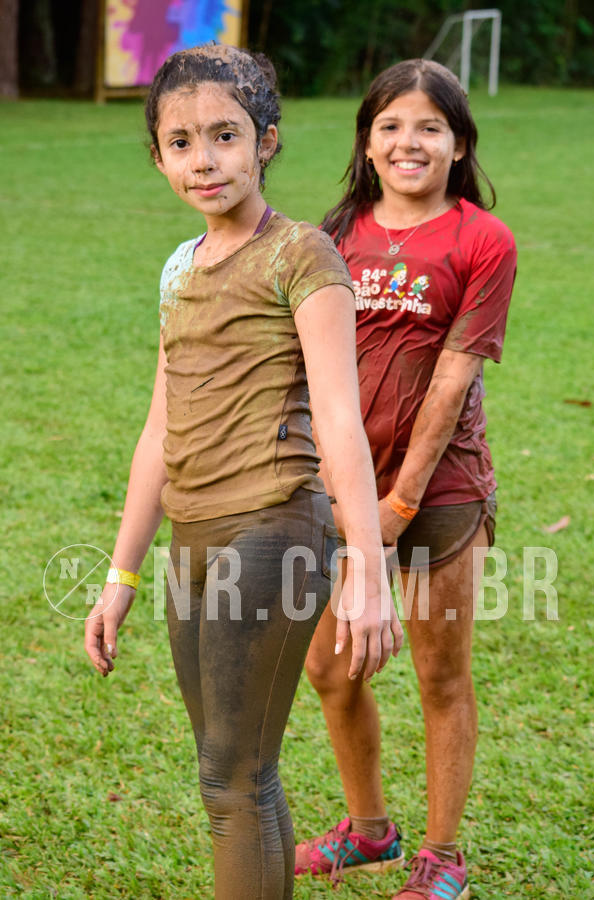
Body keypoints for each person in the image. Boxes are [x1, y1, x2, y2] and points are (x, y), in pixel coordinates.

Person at [83, 44, 403, 900]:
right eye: (181, 142)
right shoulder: (180, 269)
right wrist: (122, 572)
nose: (204, 159)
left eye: (225, 135)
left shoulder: (304, 257)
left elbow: (341, 420)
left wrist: (367, 570)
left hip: (273, 526)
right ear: (157, 156)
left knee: (234, 774)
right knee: (234, 771)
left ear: (265, 140)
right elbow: (160, 424)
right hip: (192, 532)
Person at [294, 59, 517, 900]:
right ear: (368, 140)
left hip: (440, 491)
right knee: (329, 665)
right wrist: (343, 494)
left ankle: (442, 857)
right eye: (390, 124)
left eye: (429, 126)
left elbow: (454, 379)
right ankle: (369, 830)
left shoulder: (482, 240)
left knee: (439, 675)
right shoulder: (338, 229)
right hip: (345, 481)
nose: (408, 141)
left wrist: (397, 507)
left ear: (459, 143)